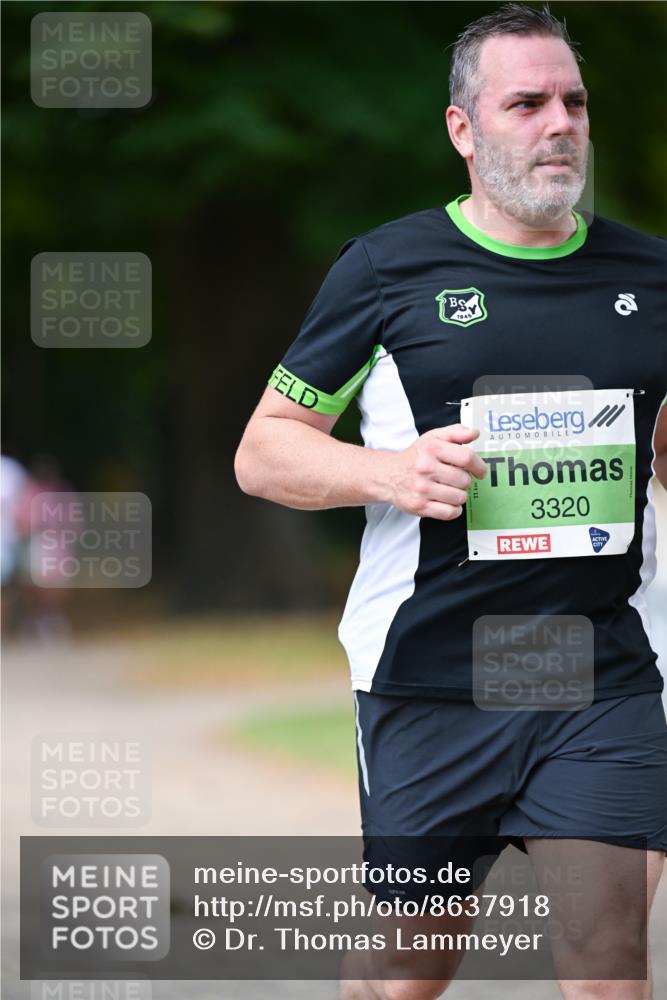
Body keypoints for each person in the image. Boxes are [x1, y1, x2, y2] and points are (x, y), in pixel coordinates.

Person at [234, 4, 667, 998]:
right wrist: (386, 474)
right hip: (432, 674)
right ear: (462, 130)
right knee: (403, 973)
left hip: (594, 671)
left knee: (608, 962)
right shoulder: (387, 272)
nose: (558, 121)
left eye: (573, 100)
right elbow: (262, 453)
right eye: (525, 102)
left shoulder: (650, 279)